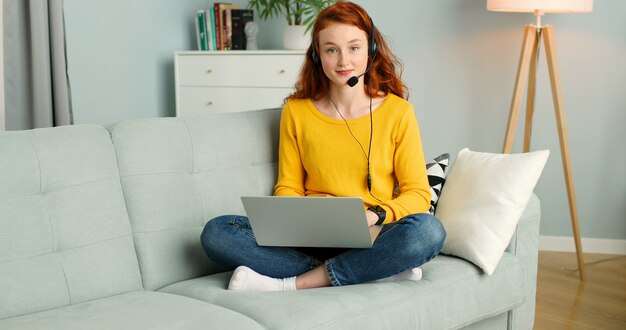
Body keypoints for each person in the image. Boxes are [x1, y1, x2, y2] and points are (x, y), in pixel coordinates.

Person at [201, 1, 446, 291]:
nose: (344, 61)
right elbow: (288, 186)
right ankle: (371, 270)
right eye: (332, 50)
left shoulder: (398, 112)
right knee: (218, 232)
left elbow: (417, 194)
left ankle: (298, 282)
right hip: (311, 238)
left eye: (354, 48)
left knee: (428, 232)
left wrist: (372, 215)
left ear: (371, 50)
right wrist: (301, 219)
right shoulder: (297, 111)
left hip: (374, 234)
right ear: (317, 56)